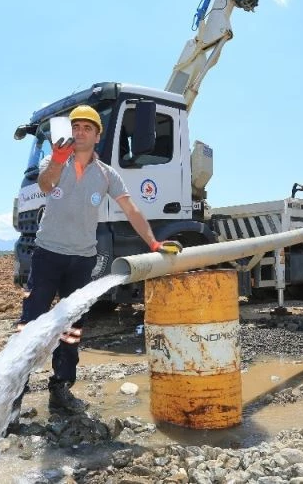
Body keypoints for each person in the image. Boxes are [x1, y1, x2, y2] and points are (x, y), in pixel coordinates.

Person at [11, 104, 182, 418]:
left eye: (86, 128)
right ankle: (13, 396)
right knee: (29, 324)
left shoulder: (107, 175)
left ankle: (61, 389)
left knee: (73, 328)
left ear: (97, 136)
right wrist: (59, 161)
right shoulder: (54, 160)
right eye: (75, 127)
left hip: (81, 261)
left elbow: (131, 210)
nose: (79, 132)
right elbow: (46, 185)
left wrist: (154, 242)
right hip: (48, 256)